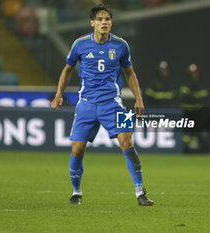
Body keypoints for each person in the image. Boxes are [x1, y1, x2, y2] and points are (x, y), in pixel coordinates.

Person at [51, 5, 153, 206]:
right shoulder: (79, 44)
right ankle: (76, 192)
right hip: (86, 104)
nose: (104, 22)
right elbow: (67, 69)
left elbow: (130, 73)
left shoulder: (121, 45)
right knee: (77, 150)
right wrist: (58, 94)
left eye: (107, 19)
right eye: (100, 19)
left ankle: (140, 192)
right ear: (92, 23)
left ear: (111, 22)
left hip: (113, 104)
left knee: (128, 143)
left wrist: (139, 98)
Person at [179, 64, 208, 151]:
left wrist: (192, 96)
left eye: (195, 73)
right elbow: (185, 97)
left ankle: (195, 149)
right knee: (186, 132)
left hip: (197, 112)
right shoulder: (185, 85)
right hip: (187, 112)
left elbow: (205, 96)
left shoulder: (201, 85)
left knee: (196, 131)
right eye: (191, 73)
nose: (193, 75)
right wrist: (195, 97)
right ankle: (185, 148)